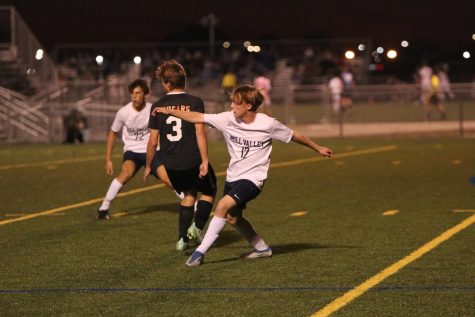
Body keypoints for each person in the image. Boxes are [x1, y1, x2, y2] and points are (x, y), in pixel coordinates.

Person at [153, 84, 333, 267]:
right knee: (232, 218)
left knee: (222, 206)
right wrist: (170, 111)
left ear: (248, 105)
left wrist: (318, 148)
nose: (231, 106)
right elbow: (197, 117)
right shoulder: (227, 119)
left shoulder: (267, 124)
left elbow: (295, 135)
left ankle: (199, 254)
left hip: (254, 179)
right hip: (233, 176)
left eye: (235, 103)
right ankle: (262, 248)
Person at [144, 60, 217, 251]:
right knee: (210, 191)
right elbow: (200, 133)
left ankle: (182, 239)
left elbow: (152, 142)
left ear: (166, 83)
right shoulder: (195, 102)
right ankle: (197, 226)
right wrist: (205, 160)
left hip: (171, 164)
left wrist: (148, 165)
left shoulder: (157, 106)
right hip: (192, 159)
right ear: (183, 80)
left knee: (188, 194)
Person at [97, 79, 174, 220]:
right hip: (132, 151)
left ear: (146, 94)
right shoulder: (123, 112)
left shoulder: (153, 110)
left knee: (167, 179)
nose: (134, 96)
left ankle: (192, 204)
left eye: (138, 93)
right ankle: (103, 208)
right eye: (132, 93)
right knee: (125, 174)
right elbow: (113, 132)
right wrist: (108, 159)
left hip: (151, 151)